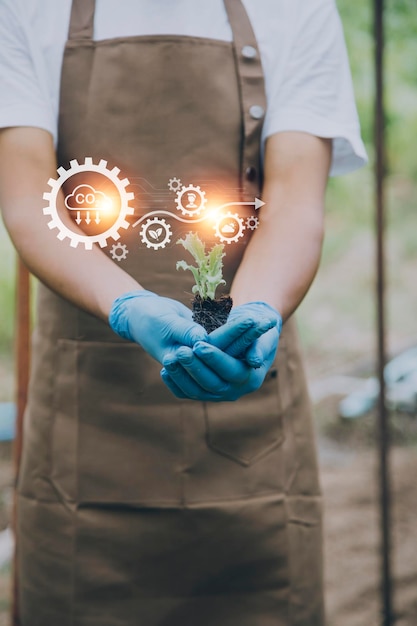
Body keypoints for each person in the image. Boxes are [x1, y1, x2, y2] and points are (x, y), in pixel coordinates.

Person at [0, 0, 367, 624]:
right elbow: (31, 200)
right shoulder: (27, 10)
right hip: (85, 460)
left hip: (252, 446)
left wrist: (256, 309)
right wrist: (127, 304)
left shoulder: (295, 10)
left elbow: (296, 207)